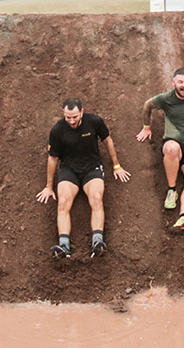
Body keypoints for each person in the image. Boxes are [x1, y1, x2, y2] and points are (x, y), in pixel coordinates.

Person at [36, 98, 130, 258]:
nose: (71, 121)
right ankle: (64, 246)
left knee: (96, 197)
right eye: (67, 117)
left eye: (74, 117)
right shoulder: (57, 130)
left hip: (91, 168)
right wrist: (48, 186)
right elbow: (52, 158)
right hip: (69, 170)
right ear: (63, 114)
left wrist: (116, 165)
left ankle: (97, 242)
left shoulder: (94, 121)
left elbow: (107, 140)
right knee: (63, 202)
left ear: (81, 112)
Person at [136, 68, 184, 231]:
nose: (183, 85)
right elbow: (147, 105)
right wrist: (146, 127)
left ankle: (183, 217)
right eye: (180, 82)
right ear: (173, 83)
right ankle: (172, 190)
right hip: (173, 142)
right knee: (172, 149)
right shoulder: (166, 99)